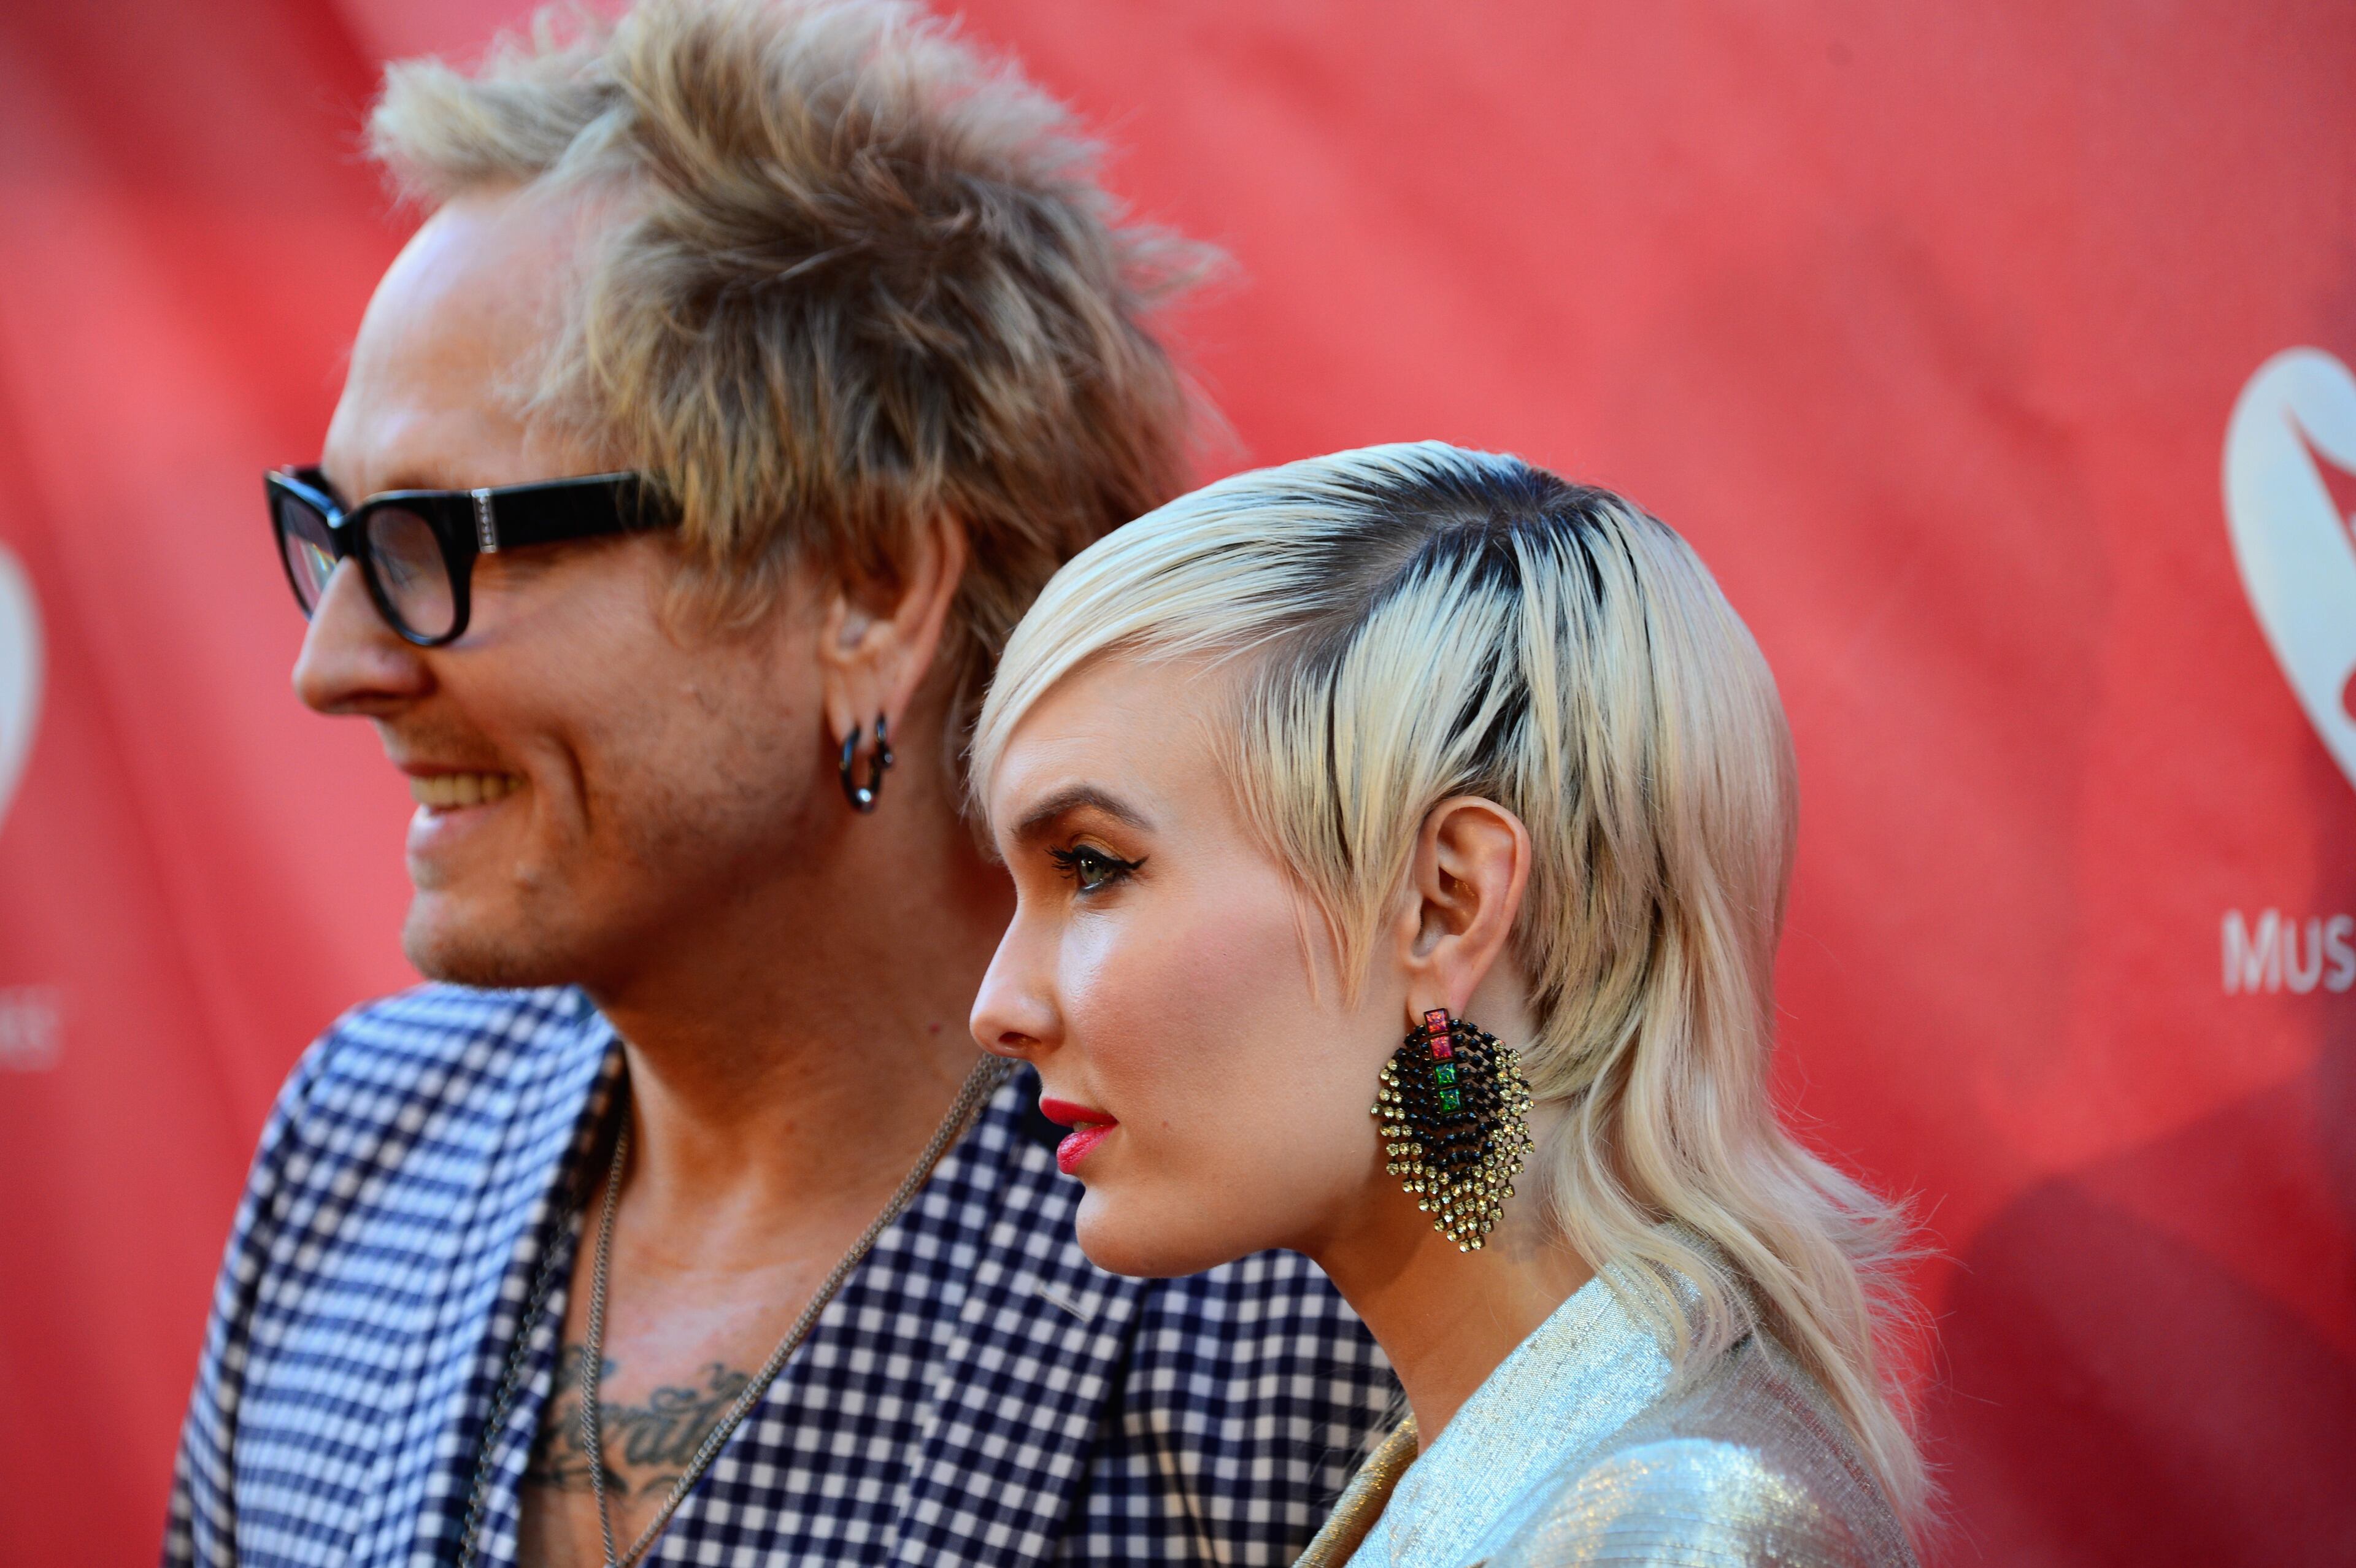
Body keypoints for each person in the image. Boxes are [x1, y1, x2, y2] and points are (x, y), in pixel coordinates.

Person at [167, 4, 1393, 1564]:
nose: (333, 666)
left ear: (870, 588)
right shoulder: (364, 1147)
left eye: (434, 545)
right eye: (332, 535)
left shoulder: (1319, 1262)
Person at [968, 442, 1931, 1567]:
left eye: (1093, 867)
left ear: (1445, 903)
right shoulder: (1575, 1476)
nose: (1000, 1006)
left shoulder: (1674, 1528)